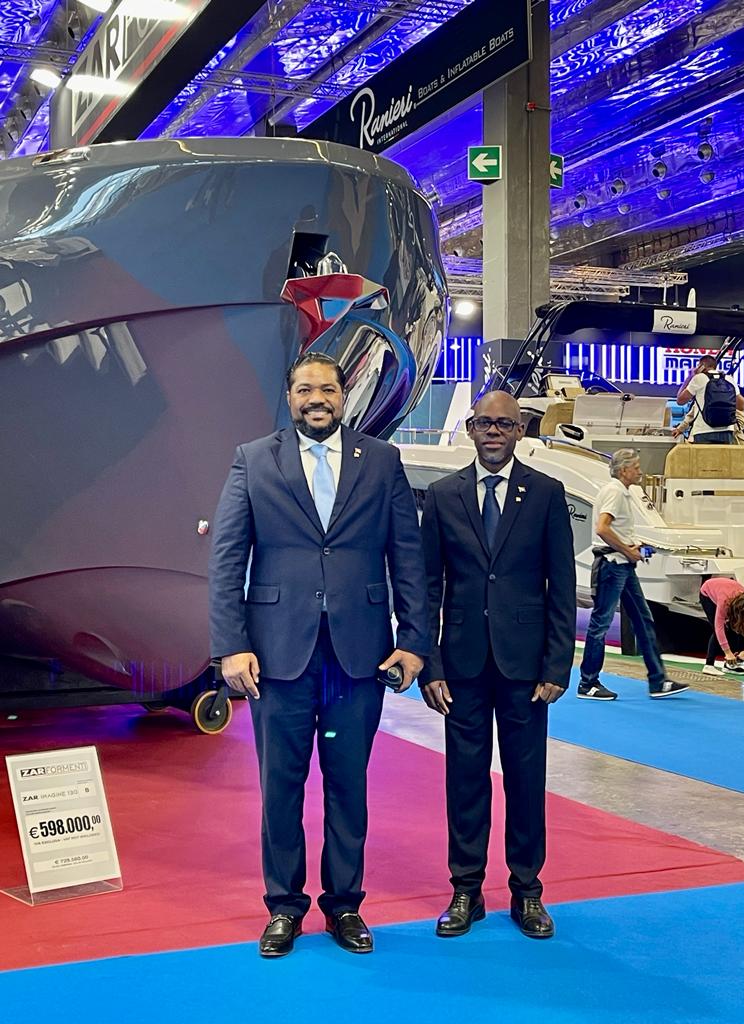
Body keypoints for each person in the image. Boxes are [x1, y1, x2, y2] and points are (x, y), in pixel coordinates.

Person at [209, 352, 429, 959]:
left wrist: (414, 639)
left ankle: (345, 905)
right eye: (305, 389)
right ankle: (283, 907)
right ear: (290, 397)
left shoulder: (381, 461)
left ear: (342, 396)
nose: (317, 399)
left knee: (348, 785)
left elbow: (407, 556)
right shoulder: (253, 459)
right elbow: (227, 558)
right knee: (280, 786)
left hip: (360, 655)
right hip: (276, 655)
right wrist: (230, 646)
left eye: (328, 389)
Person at [420, 390, 576, 940]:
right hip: (460, 666)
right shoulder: (443, 495)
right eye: (484, 422)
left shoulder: (546, 494)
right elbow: (428, 587)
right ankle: (466, 889)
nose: (493, 431)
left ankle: (527, 891)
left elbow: (562, 584)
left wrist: (557, 665)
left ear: (519, 431)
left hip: (526, 668)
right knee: (464, 781)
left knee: (526, 781)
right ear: (470, 428)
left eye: (504, 424)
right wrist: (430, 665)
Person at [578, 448, 689, 701]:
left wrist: (631, 546)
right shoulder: (615, 492)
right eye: (636, 467)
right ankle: (588, 683)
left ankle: (658, 681)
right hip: (612, 565)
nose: (640, 471)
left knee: (643, 619)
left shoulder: (621, 492)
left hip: (621, 566)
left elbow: (612, 529)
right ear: (623, 470)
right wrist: (627, 550)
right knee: (601, 623)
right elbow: (602, 528)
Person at [699, 578, 744, 675]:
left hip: (729, 592)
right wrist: (728, 653)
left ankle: (729, 665)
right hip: (707, 592)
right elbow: (719, 627)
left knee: (733, 628)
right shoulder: (724, 602)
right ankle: (709, 665)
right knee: (721, 630)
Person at [676, 355, 741, 445]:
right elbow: (741, 405)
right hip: (726, 430)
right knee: (724, 455)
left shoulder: (699, 378)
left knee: (704, 455)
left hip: (703, 431)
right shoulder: (729, 379)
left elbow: (680, 400)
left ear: (701, 366)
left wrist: (690, 377)